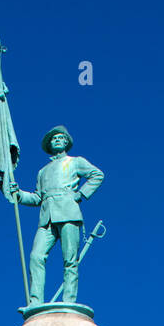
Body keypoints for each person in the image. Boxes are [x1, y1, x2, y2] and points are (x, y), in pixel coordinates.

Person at [10, 126, 103, 305]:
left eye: (61, 137)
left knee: (69, 261)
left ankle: (69, 300)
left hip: (68, 212)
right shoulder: (42, 171)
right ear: (50, 144)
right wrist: (19, 194)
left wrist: (81, 194)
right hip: (47, 218)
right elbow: (37, 197)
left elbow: (97, 175)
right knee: (36, 257)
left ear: (66, 142)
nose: (58, 140)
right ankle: (35, 302)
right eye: (54, 138)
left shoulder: (75, 162)